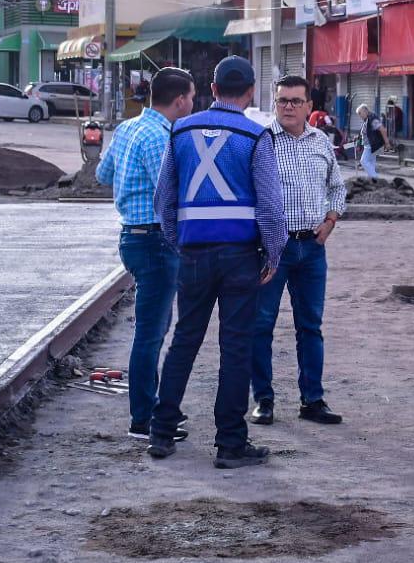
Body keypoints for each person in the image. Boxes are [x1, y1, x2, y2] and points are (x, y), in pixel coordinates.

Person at [150, 56, 287, 468]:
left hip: (194, 254)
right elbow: (271, 206)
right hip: (240, 258)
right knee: (236, 346)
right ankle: (230, 443)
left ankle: (161, 432)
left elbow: (164, 199)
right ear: (249, 93)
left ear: (211, 89)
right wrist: (273, 252)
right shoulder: (256, 135)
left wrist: (180, 242)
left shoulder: (180, 129)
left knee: (184, 341)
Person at [95, 67, 196, 441]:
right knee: (151, 333)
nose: (193, 102)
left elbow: (104, 175)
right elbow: (170, 193)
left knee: (152, 328)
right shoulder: (161, 137)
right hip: (155, 241)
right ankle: (144, 419)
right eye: (192, 96)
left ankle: (153, 407)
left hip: (133, 236)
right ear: (180, 99)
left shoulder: (128, 128)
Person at [250, 74, 348, 428]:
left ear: (309, 106)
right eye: (282, 101)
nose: (288, 107)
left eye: (295, 101)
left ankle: (313, 400)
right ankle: (263, 399)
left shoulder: (321, 142)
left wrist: (331, 220)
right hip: (272, 251)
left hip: (312, 249)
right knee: (261, 325)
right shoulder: (261, 142)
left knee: (311, 326)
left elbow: (337, 187)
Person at [355, 103, 387, 179]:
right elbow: (365, 132)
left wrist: (387, 142)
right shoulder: (367, 120)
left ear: (365, 111)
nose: (359, 116)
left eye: (360, 113)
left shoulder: (372, 118)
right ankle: (372, 180)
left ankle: (375, 178)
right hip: (370, 144)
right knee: (371, 164)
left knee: (363, 161)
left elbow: (382, 129)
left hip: (372, 145)